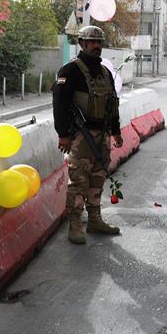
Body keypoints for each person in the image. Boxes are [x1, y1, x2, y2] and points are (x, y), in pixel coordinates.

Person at [52, 25, 124, 244]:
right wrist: (63, 134)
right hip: (81, 136)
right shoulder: (70, 70)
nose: (96, 46)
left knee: (98, 178)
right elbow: (60, 103)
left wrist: (116, 131)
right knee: (78, 181)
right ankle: (75, 224)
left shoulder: (105, 72)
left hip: (102, 135)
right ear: (81, 43)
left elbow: (112, 103)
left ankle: (94, 220)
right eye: (91, 42)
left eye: (99, 42)